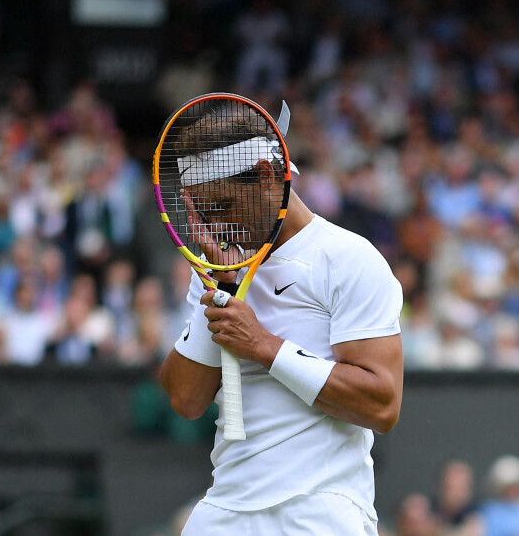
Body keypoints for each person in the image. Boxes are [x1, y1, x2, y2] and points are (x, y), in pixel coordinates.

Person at [160, 97, 404, 535]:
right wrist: (222, 291)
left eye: (222, 206)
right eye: (202, 211)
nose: (213, 226)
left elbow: (382, 404)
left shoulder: (348, 258)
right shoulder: (220, 264)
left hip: (322, 511)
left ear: (267, 177)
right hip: (225, 509)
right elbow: (186, 400)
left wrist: (264, 347)